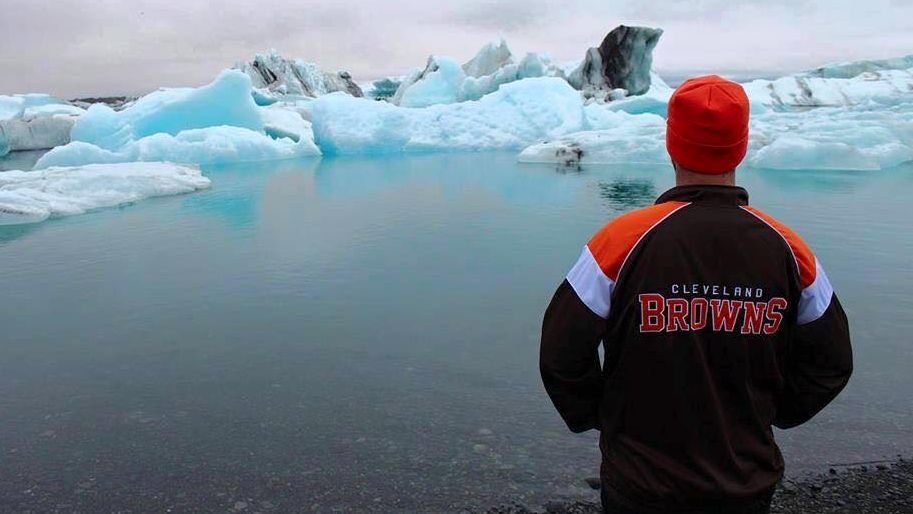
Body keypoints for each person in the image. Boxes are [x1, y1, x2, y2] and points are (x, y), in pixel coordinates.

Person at [539, 75, 853, 514]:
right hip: (745, 482)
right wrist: (773, 413)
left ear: (671, 142)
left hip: (639, 482)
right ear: (741, 147)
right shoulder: (788, 248)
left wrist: (604, 416)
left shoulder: (619, 242)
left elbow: (560, 353)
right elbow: (831, 364)